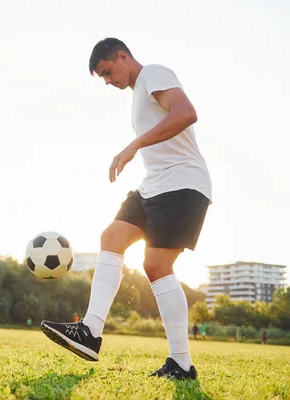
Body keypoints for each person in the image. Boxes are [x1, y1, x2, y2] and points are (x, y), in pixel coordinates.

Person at [40, 38, 211, 382]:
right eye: (102, 77)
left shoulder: (153, 74)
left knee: (156, 265)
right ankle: (90, 332)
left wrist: (133, 144)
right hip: (154, 184)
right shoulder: (139, 93)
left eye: (107, 71)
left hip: (182, 184)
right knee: (112, 236)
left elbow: (186, 113)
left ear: (122, 56)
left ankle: (181, 363)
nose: (107, 81)